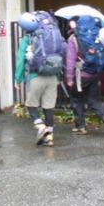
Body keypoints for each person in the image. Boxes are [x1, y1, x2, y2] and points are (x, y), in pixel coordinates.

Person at [14, 10, 66, 146]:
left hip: (34, 76)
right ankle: (49, 138)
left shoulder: (27, 39)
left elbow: (20, 60)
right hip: (53, 76)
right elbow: (61, 53)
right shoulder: (54, 35)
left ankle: (41, 128)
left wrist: (17, 78)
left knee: (31, 106)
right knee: (48, 108)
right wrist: (59, 76)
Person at [64, 16, 104, 136]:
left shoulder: (73, 38)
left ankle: (80, 127)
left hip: (80, 76)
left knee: (77, 100)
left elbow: (70, 60)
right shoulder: (98, 35)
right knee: (93, 99)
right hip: (94, 74)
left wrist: (69, 78)